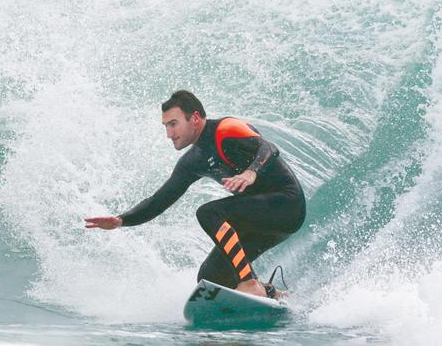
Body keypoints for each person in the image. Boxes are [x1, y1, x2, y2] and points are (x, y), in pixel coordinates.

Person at [84, 91, 306, 298]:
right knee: (209, 279)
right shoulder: (193, 161)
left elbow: (268, 147)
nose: (169, 134)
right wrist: (121, 220)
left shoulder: (226, 129)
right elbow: (159, 201)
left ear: (195, 118)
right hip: (258, 220)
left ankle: (249, 283)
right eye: (166, 126)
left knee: (209, 212)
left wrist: (251, 172)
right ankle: (271, 294)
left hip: (286, 206)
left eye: (173, 124)